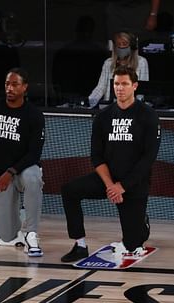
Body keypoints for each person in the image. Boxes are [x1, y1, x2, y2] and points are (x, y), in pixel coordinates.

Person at [61, 65, 161, 263]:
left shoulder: (148, 115)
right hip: (108, 181)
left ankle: (142, 223)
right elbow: (96, 157)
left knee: (133, 244)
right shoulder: (103, 117)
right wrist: (110, 186)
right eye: (116, 84)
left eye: (124, 84)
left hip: (134, 184)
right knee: (69, 190)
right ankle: (79, 244)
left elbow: (148, 159)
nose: (120, 88)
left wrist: (122, 187)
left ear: (135, 86)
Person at [0, 67, 45, 257]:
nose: (10, 88)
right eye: (7, 84)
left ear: (25, 87)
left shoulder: (34, 115)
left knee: (33, 178)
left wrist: (10, 172)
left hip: (22, 170)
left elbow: (34, 153)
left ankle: (32, 233)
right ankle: (17, 226)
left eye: (15, 84)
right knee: (5, 238)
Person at [88, 31, 149, 108]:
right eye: (118, 44)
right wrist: (89, 103)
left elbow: (142, 91)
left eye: (124, 44)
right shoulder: (108, 63)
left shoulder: (141, 62)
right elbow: (100, 87)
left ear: (131, 46)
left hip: (132, 109)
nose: (121, 47)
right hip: (110, 108)